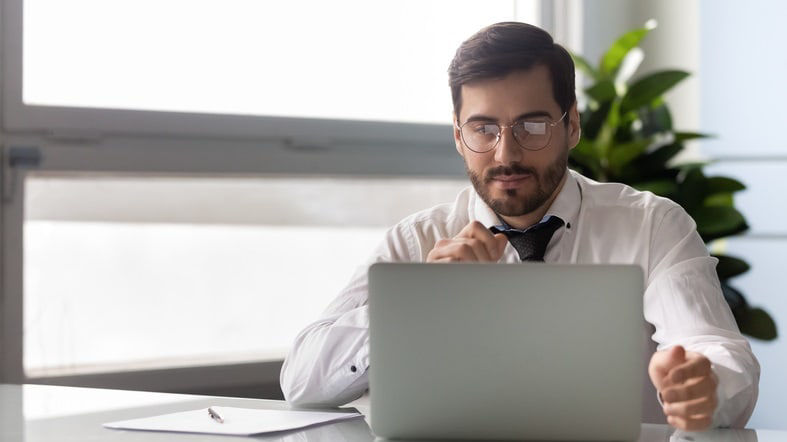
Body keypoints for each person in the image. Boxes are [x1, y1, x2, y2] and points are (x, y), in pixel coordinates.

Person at [279, 22, 759, 431]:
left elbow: (715, 349)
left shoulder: (653, 224)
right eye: (483, 129)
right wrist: (416, 303)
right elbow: (300, 381)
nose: (505, 154)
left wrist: (706, 388)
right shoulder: (417, 240)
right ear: (458, 135)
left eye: (531, 127)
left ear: (571, 125)